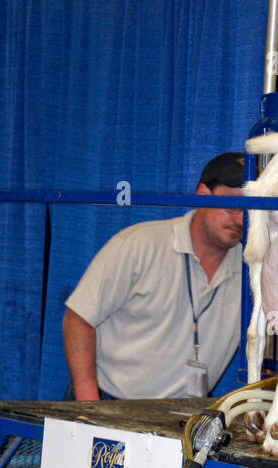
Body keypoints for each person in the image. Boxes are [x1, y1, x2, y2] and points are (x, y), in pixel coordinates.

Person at [62, 152, 245, 403]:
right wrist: (90, 407)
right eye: (233, 206)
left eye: (253, 209)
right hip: (109, 403)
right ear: (203, 195)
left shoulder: (254, 270)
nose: (241, 219)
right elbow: (78, 319)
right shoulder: (138, 245)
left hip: (183, 416)